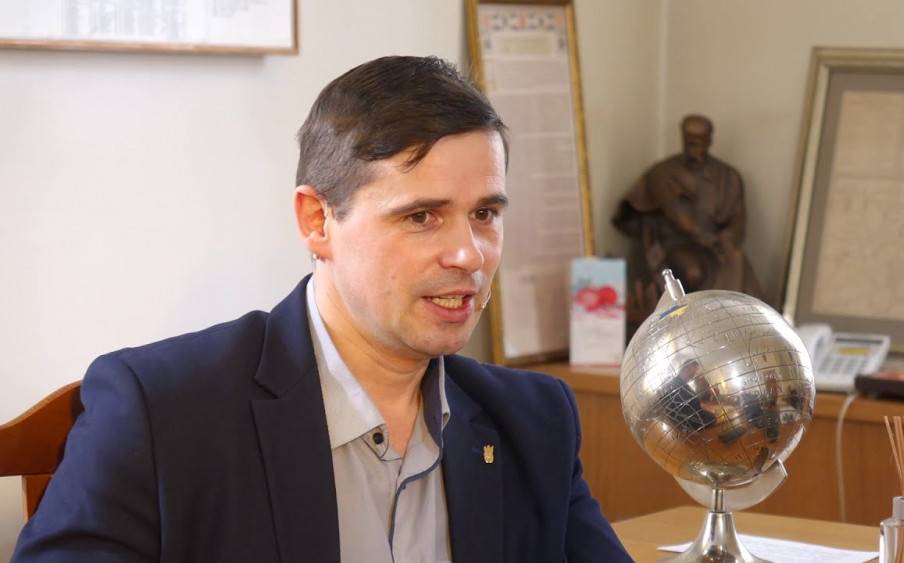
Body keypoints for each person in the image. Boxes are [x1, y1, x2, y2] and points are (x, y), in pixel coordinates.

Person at [13, 56, 631, 563]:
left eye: (485, 214)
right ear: (317, 221)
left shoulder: (532, 421)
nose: (469, 254)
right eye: (422, 216)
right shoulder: (160, 408)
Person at [613, 115, 764, 340]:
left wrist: (723, 238)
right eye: (690, 140)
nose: (695, 146)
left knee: (736, 260)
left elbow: (737, 222)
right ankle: (698, 331)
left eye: (700, 140)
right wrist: (692, 233)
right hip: (676, 244)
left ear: (709, 140)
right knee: (693, 272)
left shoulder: (728, 177)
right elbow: (653, 210)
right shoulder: (663, 173)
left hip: (716, 244)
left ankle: (731, 326)